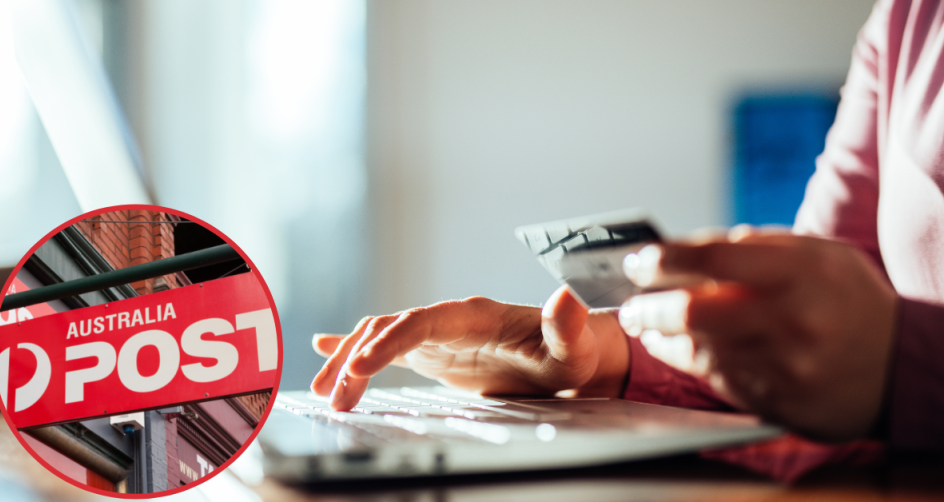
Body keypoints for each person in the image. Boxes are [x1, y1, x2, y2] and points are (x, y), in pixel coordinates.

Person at [311, 0, 944, 450]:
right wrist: (597, 361)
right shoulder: (905, 19)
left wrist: (906, 366)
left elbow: (871, 352)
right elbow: (808, 340)